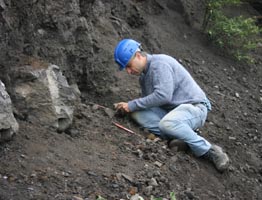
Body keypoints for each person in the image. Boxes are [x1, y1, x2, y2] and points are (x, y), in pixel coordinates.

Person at [113, 38, 229, 172]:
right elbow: (149, 102)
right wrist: (127, 108)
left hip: (195, 108)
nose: (128, 71)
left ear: (138, 56)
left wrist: (132, 104)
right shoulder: (143, 77)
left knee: (165, 122)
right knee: (137, 113)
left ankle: (211, 151)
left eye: (128, 65)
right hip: (172, 113)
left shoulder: (160, 64)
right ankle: (181, 138)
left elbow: (163, 95)